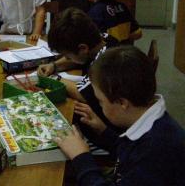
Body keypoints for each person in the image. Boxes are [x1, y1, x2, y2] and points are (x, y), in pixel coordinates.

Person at [54, 46, 185, 185]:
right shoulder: (150, 122)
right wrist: (103, 130)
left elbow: (138, 159)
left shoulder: (156, 150)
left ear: (122, 103)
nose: (99, 106)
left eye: (100, 102)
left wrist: (80, 157)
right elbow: (129, 152)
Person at [37, 8, 118, 127]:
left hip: (106, 124)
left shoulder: (105, 64)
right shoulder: (102, 40)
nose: (66, 59)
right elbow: (78, 59)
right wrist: (54, 65)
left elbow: (82, 94)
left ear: (83, 48)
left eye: (67, 56)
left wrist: (54, 78)